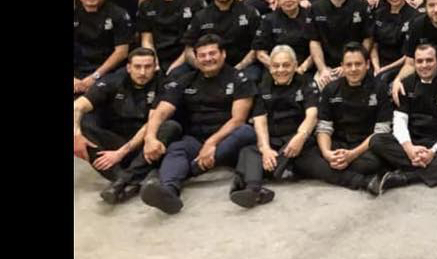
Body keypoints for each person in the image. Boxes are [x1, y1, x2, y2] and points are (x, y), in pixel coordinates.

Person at [138, 34, 257, 214]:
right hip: (196, 138)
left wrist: (211, 143)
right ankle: (168, 192)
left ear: (223, 54)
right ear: (196, 58)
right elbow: (161, 111)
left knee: (246, 131)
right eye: (202, 55)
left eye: (212, 53)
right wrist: (150, 137)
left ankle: (191, 169)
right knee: (177, 147)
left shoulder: (239, 79)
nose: (208, 59)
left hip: (227, 139)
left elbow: (237, 120)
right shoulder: (186, 80)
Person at [74, 48, 180, 204]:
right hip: (118, 137)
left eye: (148, 67)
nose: (142, 72)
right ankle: (129, 179)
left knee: (171, 126)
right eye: (137, 67)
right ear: (129, 67)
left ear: (155, 67)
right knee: (83, 123)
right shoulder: (114, 80)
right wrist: (76, 135)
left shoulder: (165, 84)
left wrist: (120, 153)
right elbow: (77, 106)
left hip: (146, 143)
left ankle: (122, 182)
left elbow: (152, 122)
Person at [368, 43, 437, 192]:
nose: (424, 65)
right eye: (419, 61)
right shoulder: (405, 84)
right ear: (415, 63)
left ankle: (408, 176)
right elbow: (400, 121)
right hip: (413, 140)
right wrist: (409, 148)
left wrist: (433, 152)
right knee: (376, 141)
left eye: (429, 60)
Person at [291, 42, 391, 194]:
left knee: (372, 163)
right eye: (348, 65)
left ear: (367, 65)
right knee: (302, 157)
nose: (353, 69)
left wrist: (352, 154)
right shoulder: (331, 89)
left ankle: (329, 171)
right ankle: (361, 181)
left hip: (364, 147)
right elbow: (324, 128)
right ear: (342, 67)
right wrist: (327, 153)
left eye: (358, 64)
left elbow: (381, 132)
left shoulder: (380, 88)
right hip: (337, 144)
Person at [230, 45, 319, 208]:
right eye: (276, 66)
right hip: (275, 139)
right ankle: (255, 190)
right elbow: (260, 120)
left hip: (298, 139)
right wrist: (265, 148)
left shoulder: (306, 82)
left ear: (295, 65)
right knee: (248, 151)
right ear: (270, 67)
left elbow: (312, 114)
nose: (281, 70)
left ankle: (247, 185)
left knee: (249, 163)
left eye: (286, 65)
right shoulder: (263, 85)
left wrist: (301, 136)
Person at [181, 0, 262, 82]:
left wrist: (237, 68)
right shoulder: (200, 16)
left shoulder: (250, 13)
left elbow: (257, 47)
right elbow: (188, 49)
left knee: (250, 79)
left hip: (243, 67)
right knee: (178, 76)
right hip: (207, 66)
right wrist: (204, 67)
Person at [306, 0, 374, 89]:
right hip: (327, 69)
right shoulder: (316, 8)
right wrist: (322, 70)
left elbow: (368, 39)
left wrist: (348, 66)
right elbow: (314, 42)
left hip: (355, 66)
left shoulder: (362, 6)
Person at [136, 0, 207, 75]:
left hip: (185, 60)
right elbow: (147, 40)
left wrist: (174, 67)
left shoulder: (196, 3)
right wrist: (153, 62)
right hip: (156, 60)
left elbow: (194, 42)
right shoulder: (146, 5)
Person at [73, 0, 133, 94]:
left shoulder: (118, 14)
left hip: (109, 72)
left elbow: (121, 52)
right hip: (78, 71)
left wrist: (95, 76)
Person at [252, 0, 313, 75]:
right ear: (277, 0)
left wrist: (301, 69)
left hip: (304, 70)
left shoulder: (311, 17)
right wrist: (279, 68)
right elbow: (260, 53)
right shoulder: (269, 20)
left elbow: (316, 49)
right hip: (276, 70)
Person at [369, 0, 419, 80]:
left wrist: (384, 69)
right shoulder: (378, 14)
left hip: (401, 65)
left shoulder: (415, 16)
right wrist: (376, 67)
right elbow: (373, 45)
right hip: (377, 64)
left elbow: (408, 55)